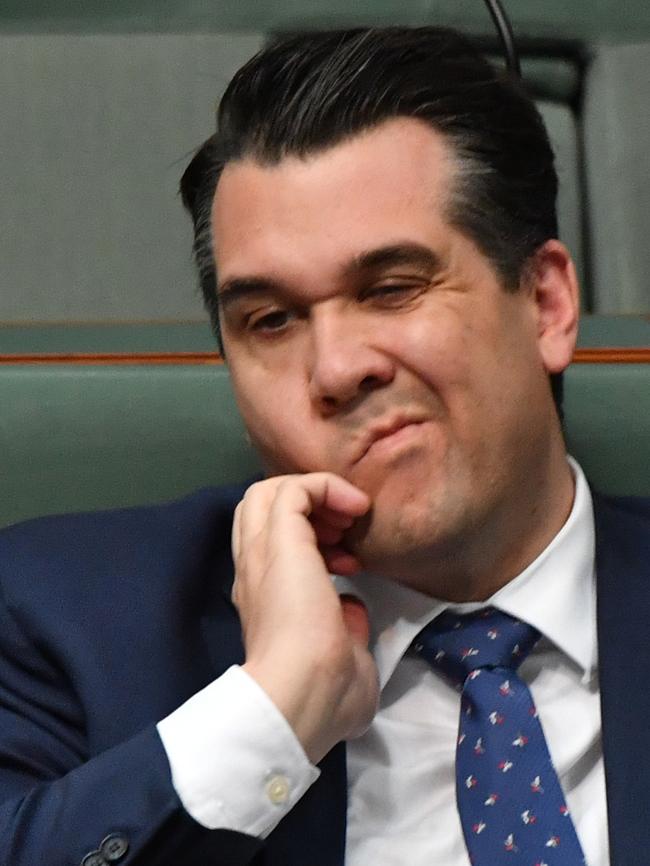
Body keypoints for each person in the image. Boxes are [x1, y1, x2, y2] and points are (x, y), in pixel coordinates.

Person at [0, 25, 647, 866]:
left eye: (392, 288)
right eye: (270, 320)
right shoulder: (59, 620)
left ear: (547, 303)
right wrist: (274, 713)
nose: (336, 369)